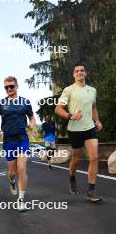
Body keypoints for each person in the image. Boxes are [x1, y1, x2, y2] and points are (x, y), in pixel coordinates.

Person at [55, 63, 102, 202]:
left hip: (89, 128)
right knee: (76, 159)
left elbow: (93, 107)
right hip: (74, 129)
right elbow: (58, 109)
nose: (79, 73)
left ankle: (91, 191)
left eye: (82, 70)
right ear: (73, 74)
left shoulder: (92, 90)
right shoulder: (68, 90)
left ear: (86, 73)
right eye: (77, 71)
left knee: (94, 158)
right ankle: (72, 177)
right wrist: (71, 116)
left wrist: (97, 121)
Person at [0, 76, 36, 211]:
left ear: (17, 86)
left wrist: (32, 125)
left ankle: (21, 200)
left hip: (22, 138)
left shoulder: (25, 102)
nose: (9, 89)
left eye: (11, 86)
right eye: (6, 87)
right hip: (9, 140)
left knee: (21, 168)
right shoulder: (1, 103)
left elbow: (32, 117)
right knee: (12, 172)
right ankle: (11, 181)